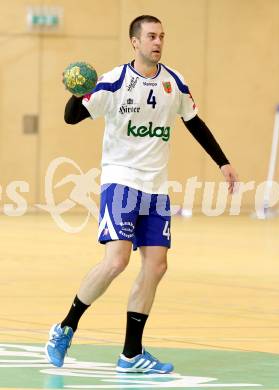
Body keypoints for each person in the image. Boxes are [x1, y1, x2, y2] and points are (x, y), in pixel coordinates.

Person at [45, 15, 238, 374]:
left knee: (157, 265)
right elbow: (73, 117)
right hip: (120, 182)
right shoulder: (114, 82)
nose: (157, 42)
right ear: (135, 42)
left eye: (161, 36)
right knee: (116, 261)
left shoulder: (174, 83)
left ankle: (131, 353)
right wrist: (79, 91)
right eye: (150, 36)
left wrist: (222, 162)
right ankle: (65, 328)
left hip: (156, 188)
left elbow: (193, 121)